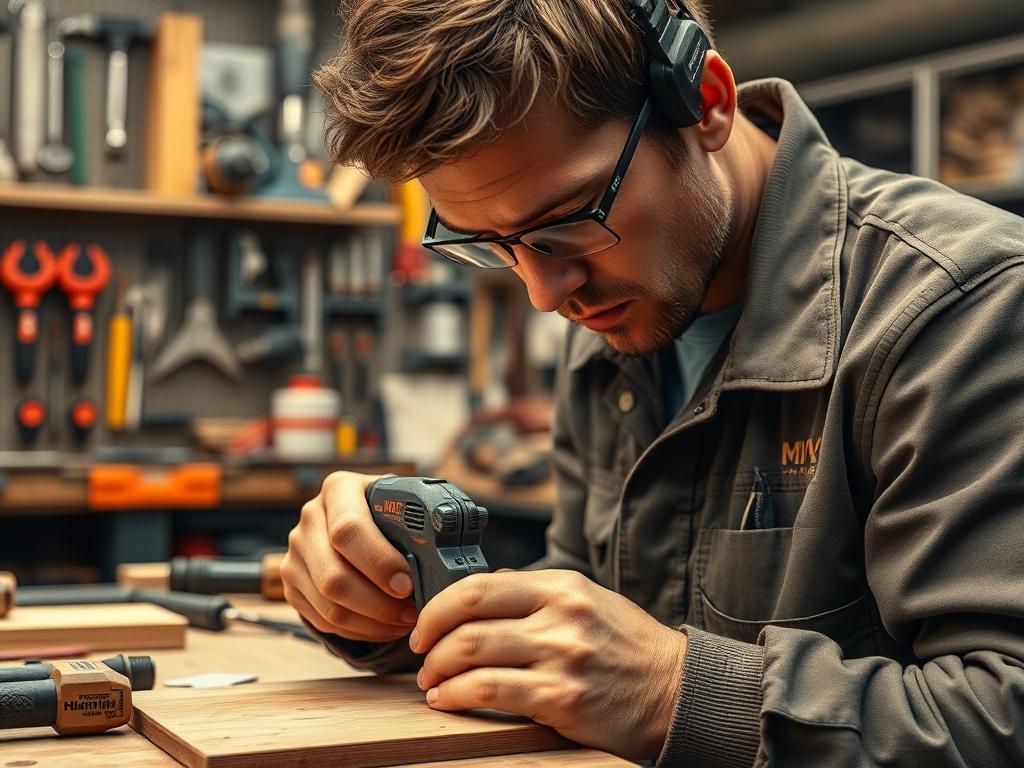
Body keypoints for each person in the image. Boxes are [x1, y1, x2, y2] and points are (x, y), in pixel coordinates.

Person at [280, 1, 1024, 764]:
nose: (544, 292)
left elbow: (1003, 712)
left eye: (566, 221)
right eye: (488, 245)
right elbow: (589, 614)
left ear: (707, 104)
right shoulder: (612, 321)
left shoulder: (965, 306)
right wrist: (394, 599)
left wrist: (674, 692)